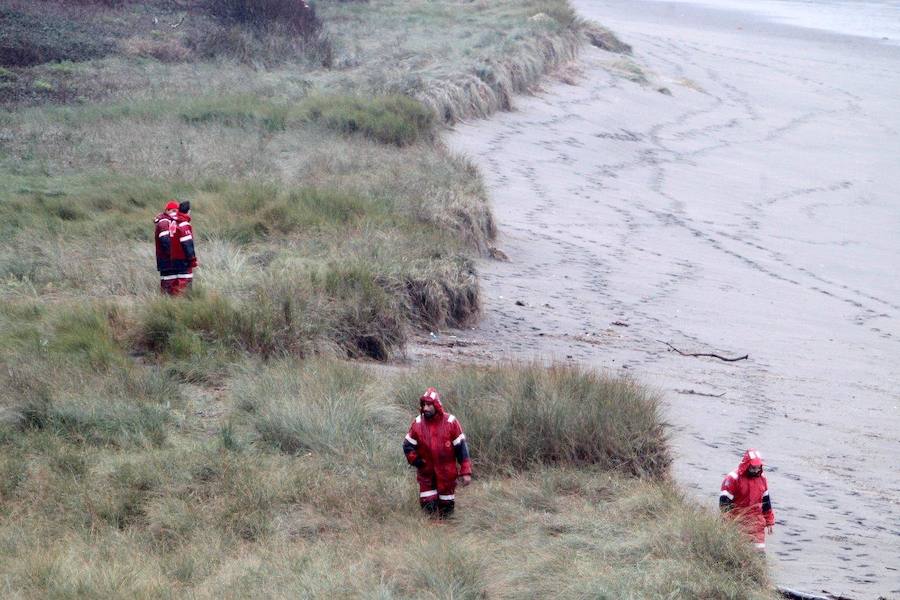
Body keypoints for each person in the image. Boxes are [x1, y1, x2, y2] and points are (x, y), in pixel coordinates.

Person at [402, 387, 472, 518]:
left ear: (436, 405)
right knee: (429, 512)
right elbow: (407, 445)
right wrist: (417, 461)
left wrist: (466, 472)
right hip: (426, 477)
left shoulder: (451, 422)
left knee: (447, 514)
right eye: (424, 405)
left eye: (429, 405)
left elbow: (462, 448)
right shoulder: (417, 423)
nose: (426, 408)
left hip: (447, 477)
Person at [719, 448, 775, 550]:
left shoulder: (762, 478)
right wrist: (727, 521)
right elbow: (724, 503)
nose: (756, 470)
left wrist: (769, 521)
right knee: (737, 555)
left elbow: (766, 502)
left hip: (756, 524)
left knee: (759, 558)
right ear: (746, 465)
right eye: (753, 468)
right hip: (737, 523)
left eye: (758, 467)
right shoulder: (733, 478)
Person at [153, 200, 197, 296]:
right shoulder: (165, 222)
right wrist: (174, 255)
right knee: (172, 287)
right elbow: (166, 241)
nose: (175, 213)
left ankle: (169, 305)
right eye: (173, 210)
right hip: (167, 260)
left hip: (167, 261)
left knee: (170, 288)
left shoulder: (168, 221)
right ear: (167, 210)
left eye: (176, 211)